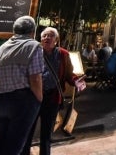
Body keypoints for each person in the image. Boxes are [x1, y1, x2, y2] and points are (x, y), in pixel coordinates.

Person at [0, 16, 44, 155]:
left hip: (2, 99)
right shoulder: (34, 46)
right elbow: (35, 78)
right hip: (23, 101)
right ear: (32, 31)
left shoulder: (3, 47)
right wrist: (39, 99)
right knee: (14, 145)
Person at [23, 27, 78, 155]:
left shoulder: (63, 54)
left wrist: (77, 82)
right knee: (28, 130)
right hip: (34, 97)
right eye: (44, 36)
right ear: (40, 39)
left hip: (52, 98)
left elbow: (69, 74)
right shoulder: (34, 52)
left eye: (51, 35)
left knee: (46, 133)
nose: (47, 38)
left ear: (56, 39)